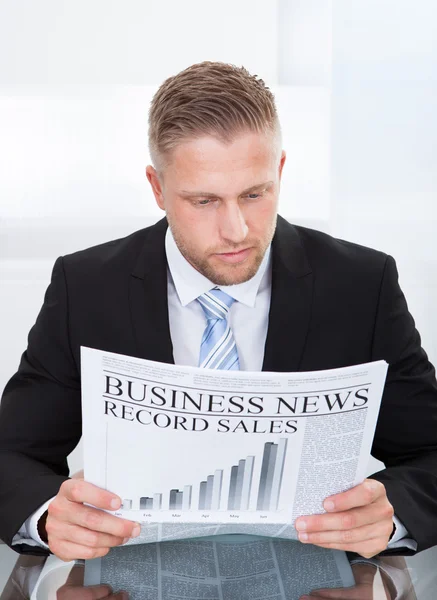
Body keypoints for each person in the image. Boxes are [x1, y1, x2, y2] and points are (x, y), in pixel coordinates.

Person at [0, 61, 436, 588]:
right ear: (157, 188)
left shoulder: (361, 285)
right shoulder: (87, 286)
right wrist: (49, 516)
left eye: (255, 193)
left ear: (280, 168)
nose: (237, 230)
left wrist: (392, 517)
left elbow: (429, 451)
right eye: (204, 201)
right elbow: (12, 453)